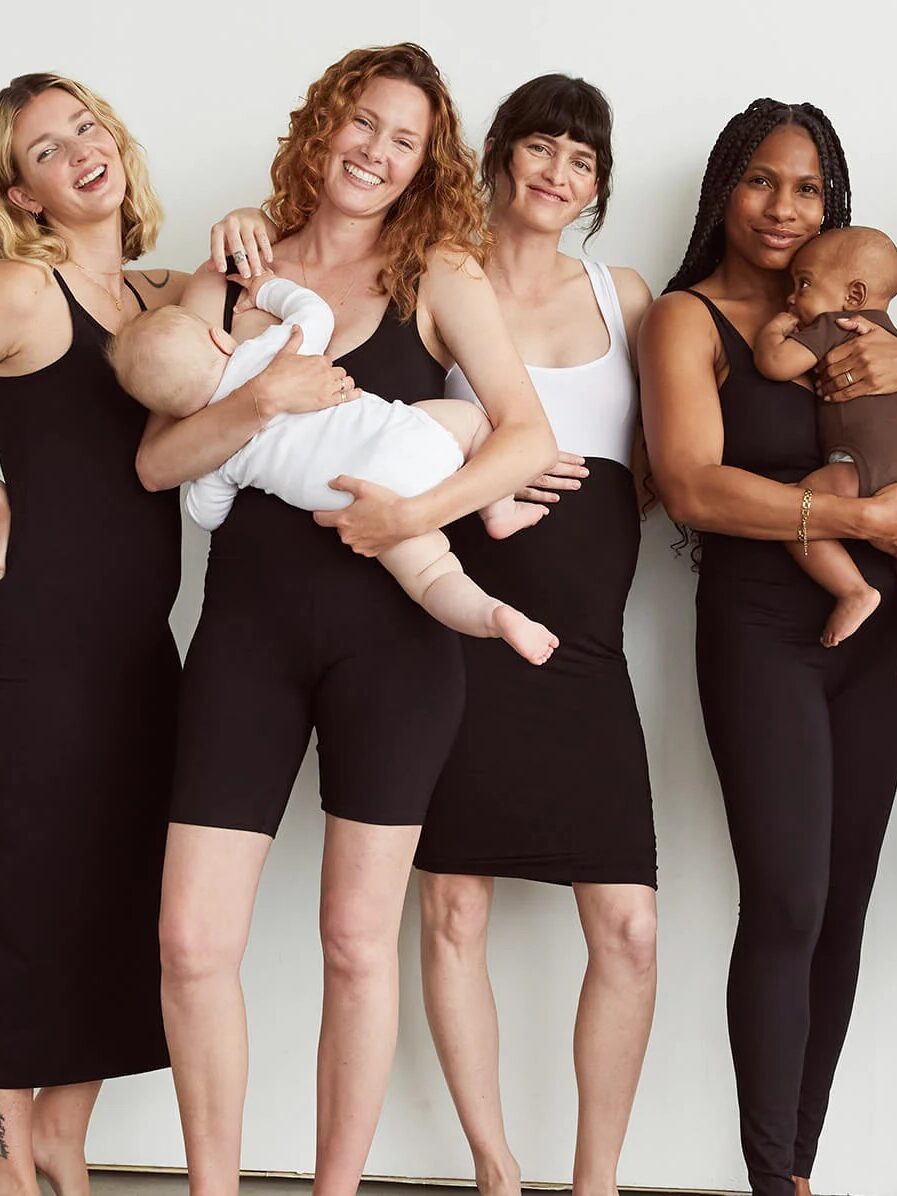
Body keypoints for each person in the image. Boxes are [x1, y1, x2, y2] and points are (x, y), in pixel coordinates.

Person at [135, 44, 555, 1196]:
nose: (373, 150)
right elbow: (158, 458)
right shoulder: (244, 270)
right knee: (190, 942)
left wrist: (413, 512)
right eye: (359, 123)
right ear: (323, 127)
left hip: (397, 646)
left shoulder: (443, 275)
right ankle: (213, 1187)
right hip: (246, 640)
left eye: (402, 137)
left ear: (426, 162)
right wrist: (264, 396)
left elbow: (522, 434)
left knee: (358, 944)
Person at [639, 97, 897, 1196]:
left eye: (807, 188)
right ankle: (769, 1177)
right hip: (761, 632)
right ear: (723, 192)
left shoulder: (869, 319)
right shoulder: (686, 320)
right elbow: (694, 487)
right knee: (787, 897)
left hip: (882, 633)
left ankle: (802, 1166)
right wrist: (859, 520)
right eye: (760, 180)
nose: (784, 206)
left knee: (841, 904)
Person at [409, 75, 657, 1196]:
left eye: (584, 161)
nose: (560, 174)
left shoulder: (627, 296)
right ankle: (497, 1172)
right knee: (453, 904)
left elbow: (657, 472)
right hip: (459, 629)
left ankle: (594, 1181)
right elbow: (392, 440)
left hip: (590, 648)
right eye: (543, 148)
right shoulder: (435, 285)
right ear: (502, 153)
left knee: (631, 929)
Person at [0, 73, 186, 1196]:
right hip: (35, 644)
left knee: (117, 891)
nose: (75, 152)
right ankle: (10, 1150)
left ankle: (64, 1139)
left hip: (135, 653)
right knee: (26, 887)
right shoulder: (23, 295)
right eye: (39, 151)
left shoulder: (158, 299)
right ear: (21, 198)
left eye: (84, 126)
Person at [111, 272, 557, 663]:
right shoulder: (268, 354)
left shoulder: (217, 450)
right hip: (405, 442)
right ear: (217, 339)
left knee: (432, 577)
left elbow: (206, 515)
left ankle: (494, 615)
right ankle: (497, 511)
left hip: (357, 502)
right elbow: (314, 311)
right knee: (474, 421)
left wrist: (212, 475)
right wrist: (267, 291)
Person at [754, 226, 897, 645]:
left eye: (804, 283)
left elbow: (776, 365)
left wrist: (771, 333)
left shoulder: (836, 323)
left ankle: (854, 591)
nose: (792, 297)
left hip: (861, 464)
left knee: (796, 510)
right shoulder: (890, 339)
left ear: (853, 296)